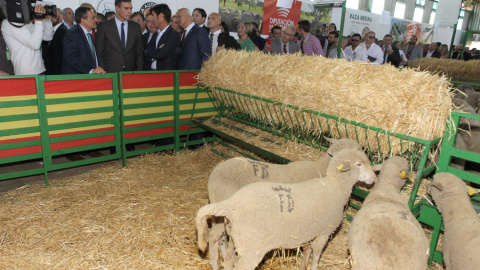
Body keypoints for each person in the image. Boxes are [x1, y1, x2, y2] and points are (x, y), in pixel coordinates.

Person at [2, 4, 54, 75]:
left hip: (41, 70)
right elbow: (35, 45)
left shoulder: (27, 22)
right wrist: (38, 20)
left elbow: (48, 37)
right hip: (25, 73)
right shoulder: (8, 23)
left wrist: (47, 20)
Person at [96, 0, 144, 73]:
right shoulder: (104, 26)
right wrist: (103, 71)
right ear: (117, 8)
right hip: (110, 73)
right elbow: (99, 51)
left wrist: (138, 71)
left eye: (131, 8)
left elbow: (139, 51)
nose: (129, 12)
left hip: (131, 72)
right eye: (126, 8)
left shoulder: (135, 27)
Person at [62, 6, 105, 75]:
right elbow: (72, 58)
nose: (96, 20)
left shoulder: (93, 33)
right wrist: (90, 71)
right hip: (79, 77)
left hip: (96, 75)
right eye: (92, 18)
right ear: (83, 20)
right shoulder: (72, 34)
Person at [143, 4, 180, 71]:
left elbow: (161, 54)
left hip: (166, 76)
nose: (152, 19)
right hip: (153, 74)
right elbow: (146, 53)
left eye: (153, 15)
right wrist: (157, 51)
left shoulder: (174, 35)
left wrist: (155, 53)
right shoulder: (155, 34)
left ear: (161, 16)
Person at [46, 7, 75, 75]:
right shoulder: (57, 30)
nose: (72, 15)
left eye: (73, 13)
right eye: (69, 13)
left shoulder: (70, 30)